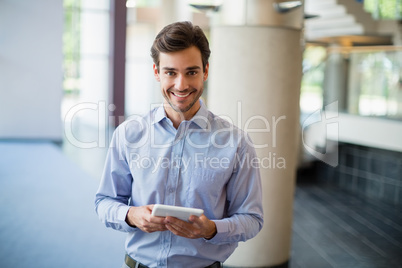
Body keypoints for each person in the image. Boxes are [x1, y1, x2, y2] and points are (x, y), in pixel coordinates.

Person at [95, 21, 263, 268]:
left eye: (191, 72)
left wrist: (211, 229)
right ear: (156, 72)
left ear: (206, 71)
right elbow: (105, 202)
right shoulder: (128, 134)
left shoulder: (236, 143)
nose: (181, 85)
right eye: (171, 72)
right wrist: (131, 215)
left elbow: (252, 219)